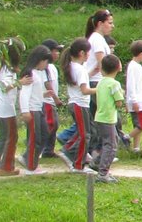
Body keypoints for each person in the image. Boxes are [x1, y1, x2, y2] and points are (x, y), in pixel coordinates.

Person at [0, 38, 30, 177]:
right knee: (12, 137)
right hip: (5, 109)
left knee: (3, 137)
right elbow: (5, 87)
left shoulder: (4, 67)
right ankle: (6, 167)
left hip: (1, 108)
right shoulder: (6, 70)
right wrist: (19, 82)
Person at [56, 38, 97, 173]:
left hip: (76, 104)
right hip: (80, 104)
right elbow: (85, 90)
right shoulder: (79, 69)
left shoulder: (73, 67)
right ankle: (77, 164)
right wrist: (101, 89)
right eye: (88, 53)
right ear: (82, 53)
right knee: (85, 135)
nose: (89, 55)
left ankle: (71, 153)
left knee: (84, 133)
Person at [16, 45, 54, 175]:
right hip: (32, 110)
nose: (46, 64)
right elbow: (24, 94)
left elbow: (34, 93)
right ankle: (31, 167)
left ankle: (29, 159)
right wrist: (25, 111)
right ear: (40, 60)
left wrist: (43, 95)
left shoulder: (38, 74)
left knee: (44, 135)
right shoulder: (30, 74)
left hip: (39, 108)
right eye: (46, 61)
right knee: (35, 138)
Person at [92, 55, 125, 183]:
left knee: (111, 142)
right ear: (118, 67)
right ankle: (103, 173)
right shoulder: (115, 84)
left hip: (100, 117)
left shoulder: (101, 82)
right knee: (111, 145)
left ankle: (97, 163)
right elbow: (119, 102)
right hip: (108, 118)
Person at [40, 39, 64, 158]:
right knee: (51, 124)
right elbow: (47, 84)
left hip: (51, 101)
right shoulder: (44, 67)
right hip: (47, 100)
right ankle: (43, 148)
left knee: (54, 124)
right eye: (55, 51)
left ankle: (49, 149)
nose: (57, 54)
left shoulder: (52, 67)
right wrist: (56, 98)